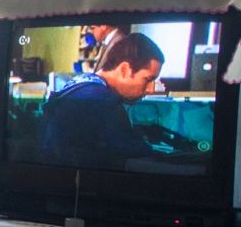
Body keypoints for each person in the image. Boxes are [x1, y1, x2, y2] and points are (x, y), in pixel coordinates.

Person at [39, 32, 166, 169]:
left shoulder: (80, 85)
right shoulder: (103, 101)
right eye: (148, 79)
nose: (151, 89)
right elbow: (134, 153)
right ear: (124, 69)